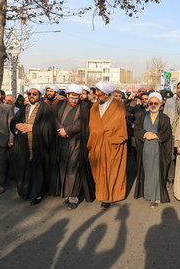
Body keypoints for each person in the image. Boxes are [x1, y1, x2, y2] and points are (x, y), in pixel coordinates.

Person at [10, 84, 58, 205]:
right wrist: (16, 126)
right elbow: (13, 121)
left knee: (37, 171)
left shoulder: (46, 109)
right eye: (29, 94)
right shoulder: (23, 108)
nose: (31, 96)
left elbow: (49, 127)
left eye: (34, 94)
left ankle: (36, 194)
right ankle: (25, 192)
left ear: (40, 95)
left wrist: (33, 128)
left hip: (39, 146)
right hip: (23, 146)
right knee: (24, 169)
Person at [87, 81, 128, 209]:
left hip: (113, 144)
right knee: (99, 171)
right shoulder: (94, 107)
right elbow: (92, 125)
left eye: (99, 95)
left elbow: (118, 124)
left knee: (112, 171)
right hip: (97, 143)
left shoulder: (119, 106)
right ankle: (102, 194)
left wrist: (104, 130)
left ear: (107, 94)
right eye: (96, 95)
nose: (97, 98)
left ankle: (110, 197)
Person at [54, 84, 95, 209]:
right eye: (72, 98)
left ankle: (74, 197)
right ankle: (67, 193)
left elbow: (82, 122)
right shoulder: (60, 104)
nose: (74, 101)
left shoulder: (84, 106)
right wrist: (60, 129)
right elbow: (54, 118)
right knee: (63, 168)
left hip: (76, 142)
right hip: (60, 141)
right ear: (67, 95)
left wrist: (67, 130)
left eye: (76, 98)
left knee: (74, 169)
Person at [134, 92, 173, 207]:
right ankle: (147, 194)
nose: (153, 105)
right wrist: (145, 134)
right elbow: (137, 129)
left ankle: (156, 197)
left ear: (160, 104)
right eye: (151, 103)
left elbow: (167, 133)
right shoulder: (141, 116)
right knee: (146, 171)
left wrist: (156, 136)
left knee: (156, 173)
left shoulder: (165, 118)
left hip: (158, 150)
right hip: (145, 149)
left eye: (156, 103)